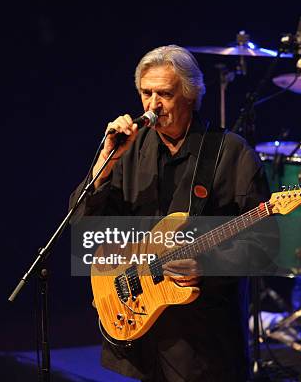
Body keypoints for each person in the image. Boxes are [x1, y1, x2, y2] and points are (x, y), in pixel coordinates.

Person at [69, 45, 278, 381]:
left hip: (201, 343)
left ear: (191, 95)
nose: (153, 105)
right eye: (146, 93)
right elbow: (85, 230)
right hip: (137, 327)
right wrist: (103, 166)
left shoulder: (232, 154)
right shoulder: (128, 149)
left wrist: (207, 266)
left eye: (164, 94)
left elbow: (265, 245)